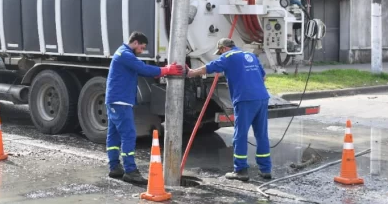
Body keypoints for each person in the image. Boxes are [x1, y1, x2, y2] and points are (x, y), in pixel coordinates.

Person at [187, 38, 272, 182]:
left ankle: (240, 170)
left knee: (240, 134)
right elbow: (263, 77)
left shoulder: (228, 56)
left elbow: (208, 68)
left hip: (245, 98)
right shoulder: (250, 55)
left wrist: (190, 73)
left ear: (223, 49)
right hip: (262, 97)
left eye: (220, 52)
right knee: (261, 134)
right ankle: (266, 170)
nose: (220, 54)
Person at [106, 31, 183, 185]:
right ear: (135, 43)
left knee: (114, 134)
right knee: (128, 134)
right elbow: (144, 69)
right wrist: (167, 70)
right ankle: (130, 171)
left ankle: (114, 167)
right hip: (120, 101)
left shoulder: (123, 54)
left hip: (116, 100)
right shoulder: (125, 55)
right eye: (141, 47)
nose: (142, 51)